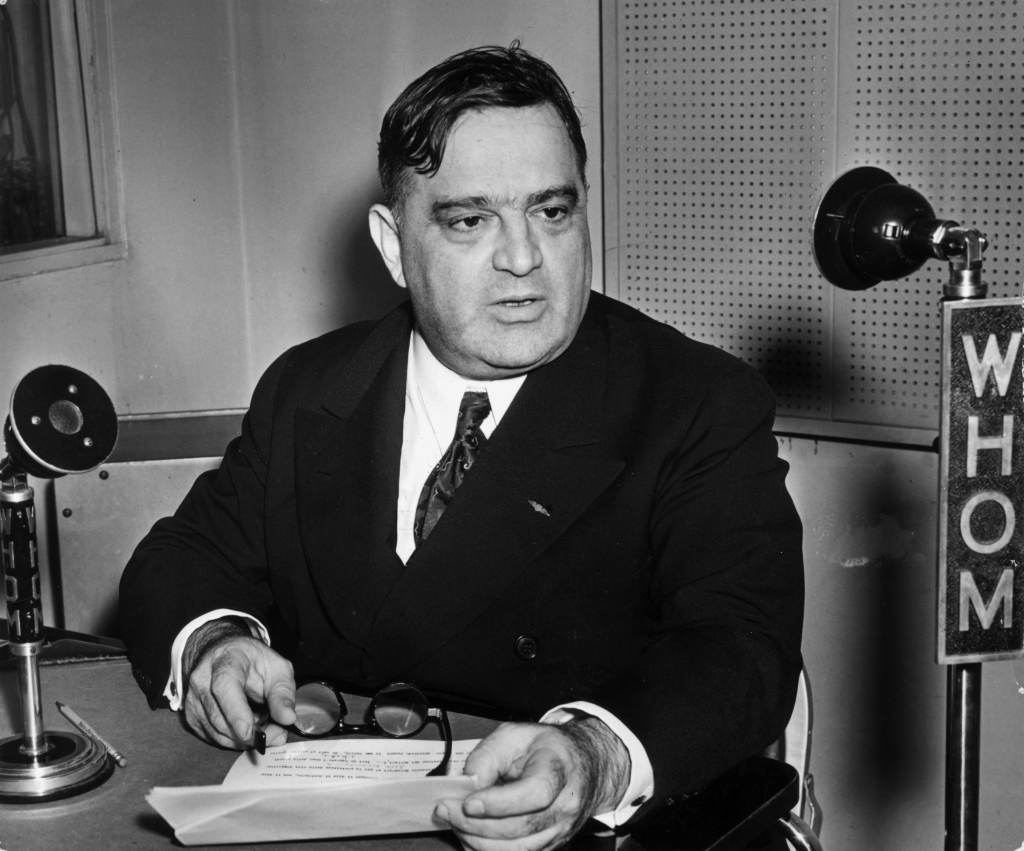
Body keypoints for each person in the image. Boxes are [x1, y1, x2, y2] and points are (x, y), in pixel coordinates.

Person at [120, 43, 804, 851]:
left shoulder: (693, 401)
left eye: (552, 212)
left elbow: (741, 648)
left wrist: (593, 755)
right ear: (391, 244)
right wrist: (213, 642)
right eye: (470, 220)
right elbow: (186, 555)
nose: (523, 257)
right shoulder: (310, 388)